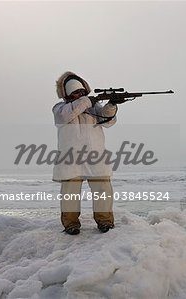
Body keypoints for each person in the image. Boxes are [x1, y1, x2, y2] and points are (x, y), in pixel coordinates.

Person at [53, 71, 117, 235]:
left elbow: (108, 121)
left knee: (103, 190)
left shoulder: (93, 107)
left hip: (95, 156)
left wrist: (111, 106)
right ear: (67, 94)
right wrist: (86, 101)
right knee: (70, 193)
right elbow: (65, 116)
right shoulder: (60, 108)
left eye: (82, 91)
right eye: (75, 92)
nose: (80, 95)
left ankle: (105, 221)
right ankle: (70, 224)